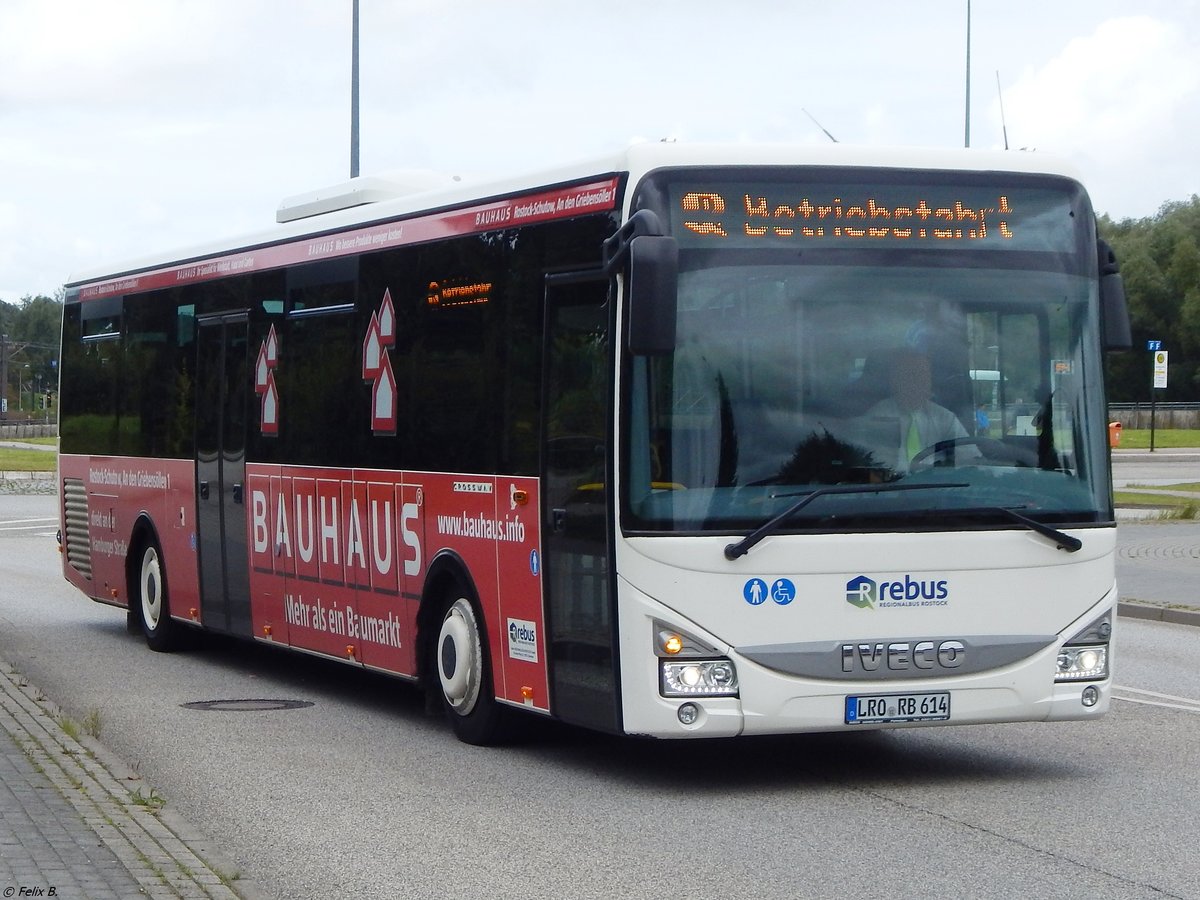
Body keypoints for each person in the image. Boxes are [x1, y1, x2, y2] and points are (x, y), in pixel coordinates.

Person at [861, 348, 973, 472]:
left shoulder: (945, 418)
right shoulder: (878, 417)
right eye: (911, 375)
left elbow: (971, 461)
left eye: (924, 375)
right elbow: (877, 466)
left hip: (937, 488)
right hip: (892, 488)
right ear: (894, 380)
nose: (919, 382)